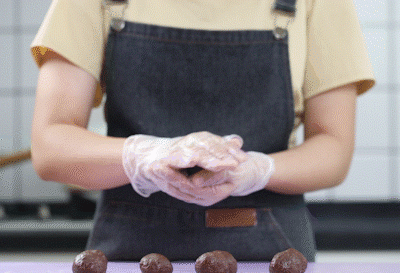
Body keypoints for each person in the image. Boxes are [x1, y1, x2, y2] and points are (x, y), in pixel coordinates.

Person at [30, 0, 375, 262]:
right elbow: (50, 147)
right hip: (127, 256)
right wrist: (143, 156)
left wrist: (258, 170)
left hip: (272, 256)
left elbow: (334, 147)